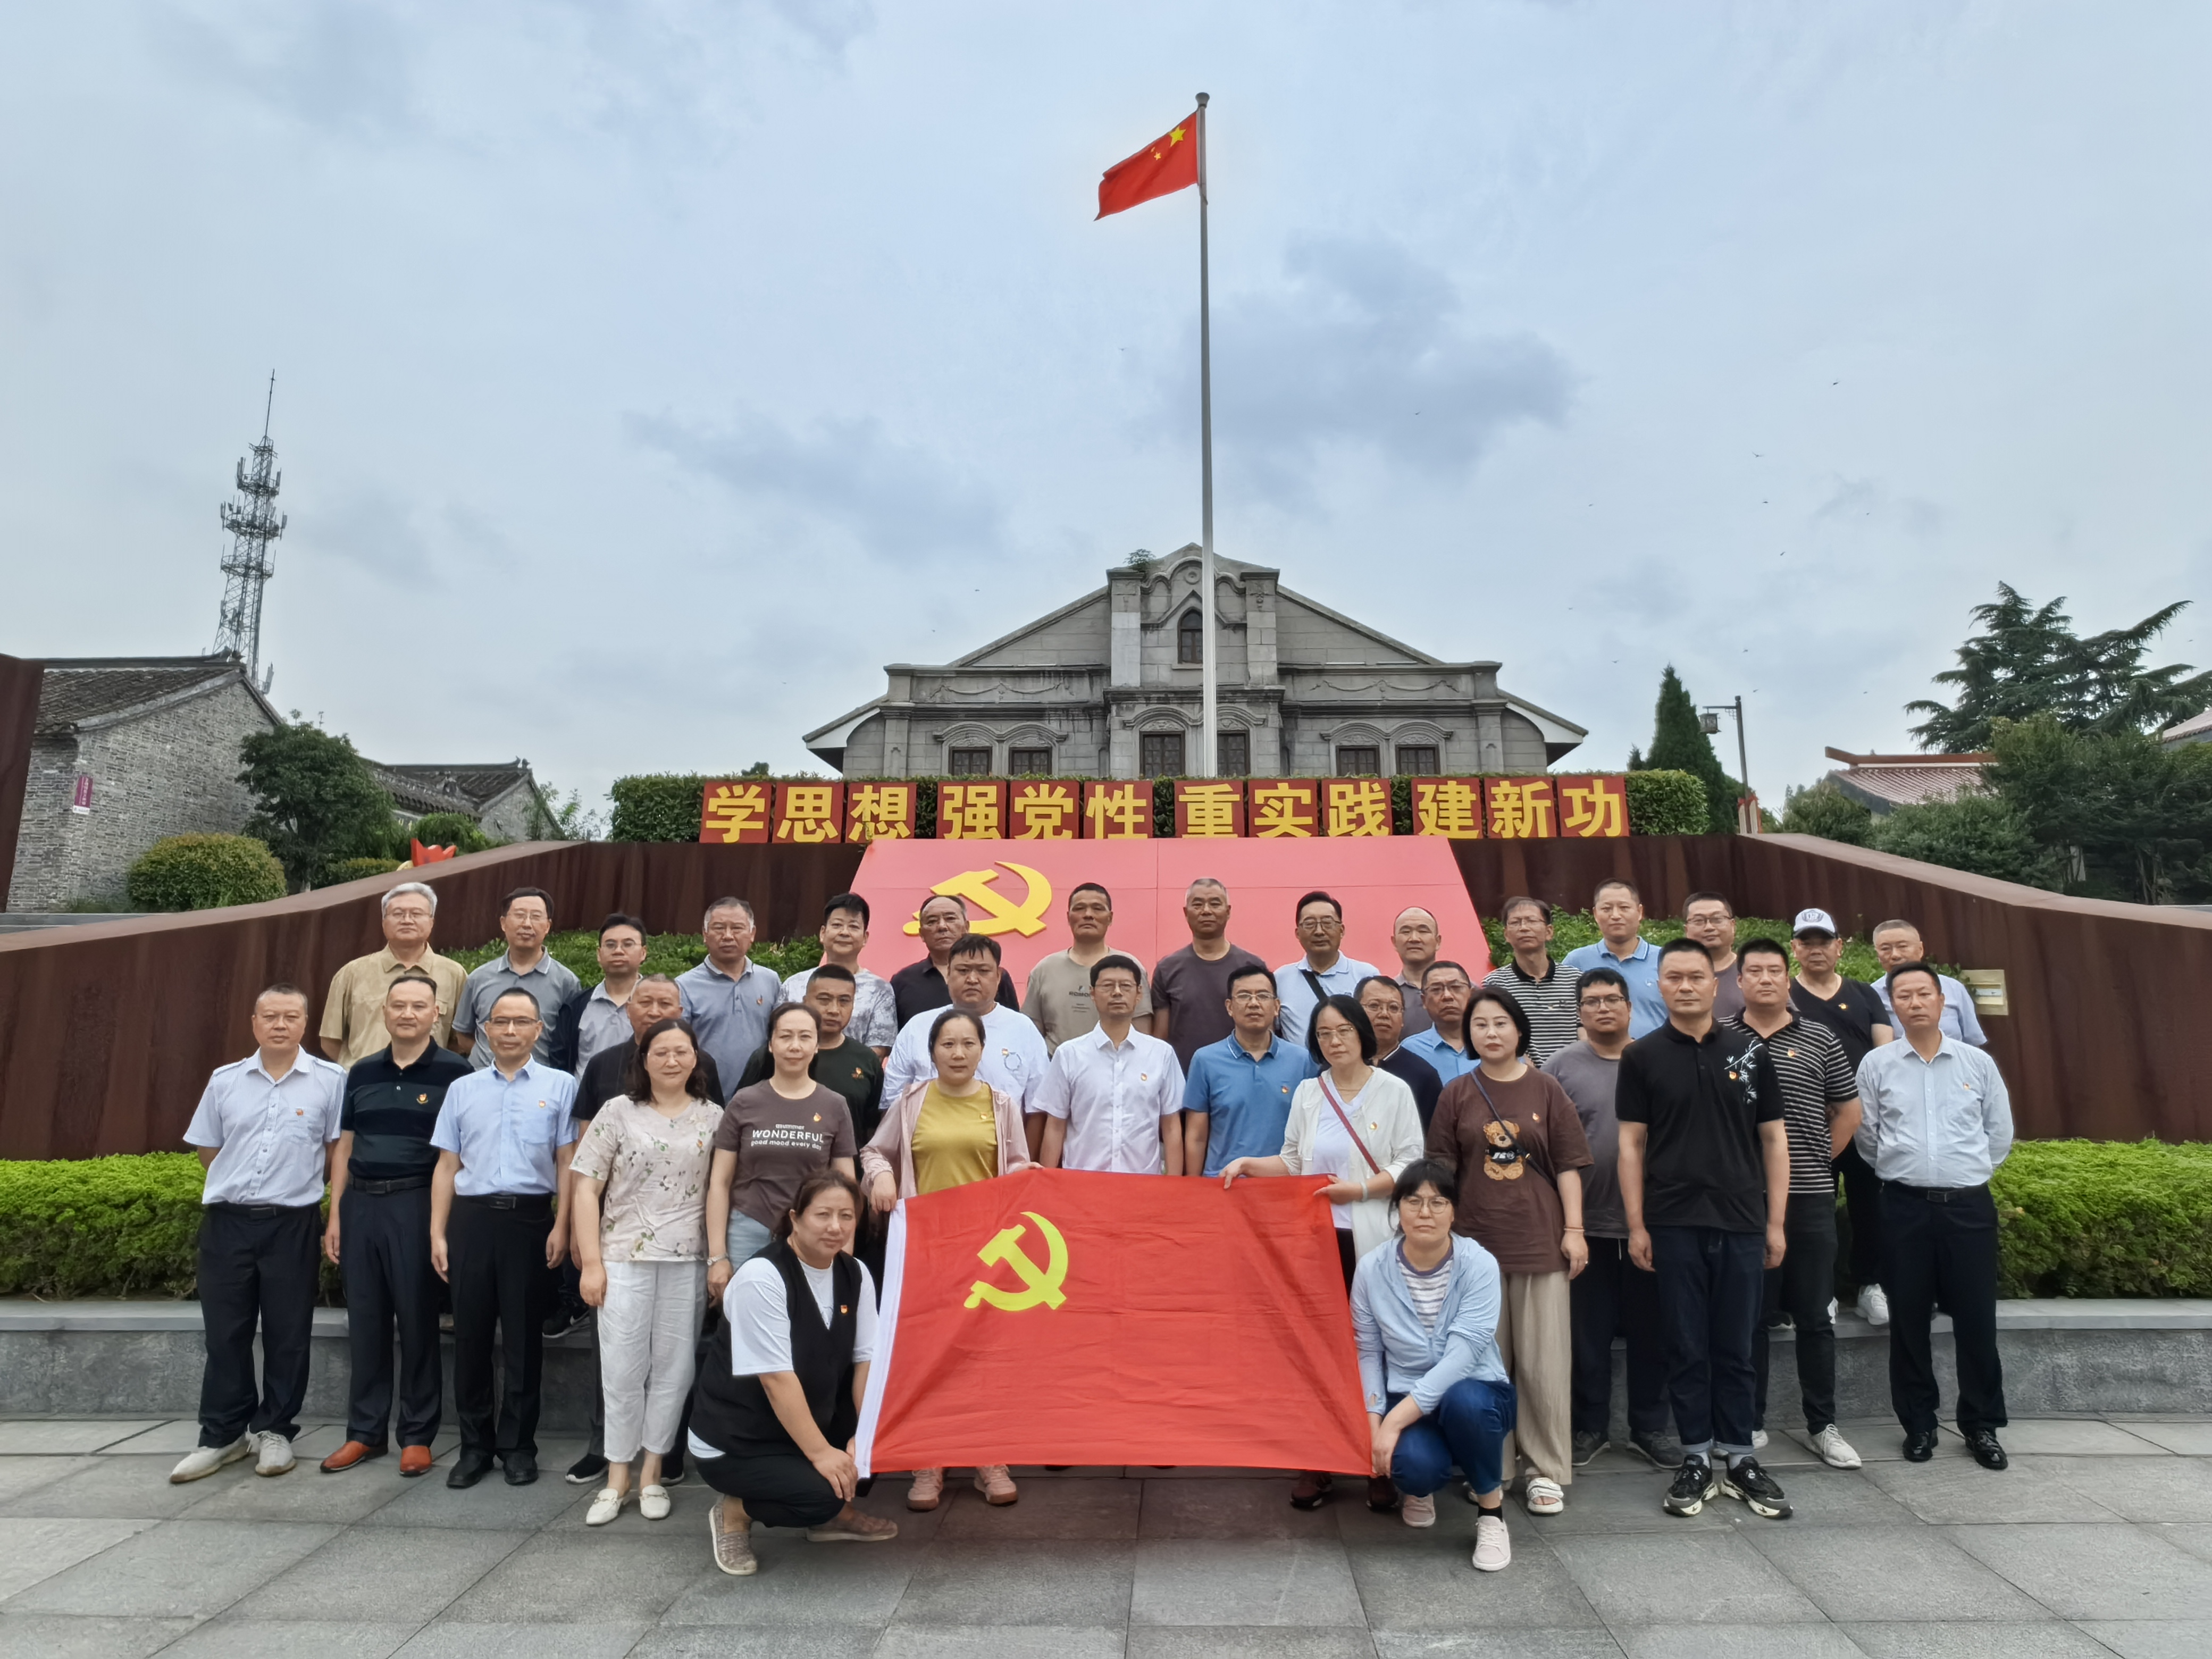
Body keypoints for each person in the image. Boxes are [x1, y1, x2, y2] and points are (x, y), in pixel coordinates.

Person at [1220, 994, 1423, 1510]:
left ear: (1362, 1034)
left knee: (1372, 1349)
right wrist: (1248, 1164)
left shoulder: (1393, 1090)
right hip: (1315, 1242)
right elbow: (1293, 1161)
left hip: (1373, 1240)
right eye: (1324, 1035)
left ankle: (1376, 1461)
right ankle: (1318, 1459)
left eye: (1343, 1032)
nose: (1333, 1042)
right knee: (1317, 1348)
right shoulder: (1310, 1092)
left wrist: (1356, 1192)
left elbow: (1410, 1163)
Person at [1616, 939, 1792, 1521]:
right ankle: (1694, 1455)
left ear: (1716, 985)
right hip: (1671, 1222)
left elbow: (1772, 1139)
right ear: (1658, 985)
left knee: (1737, 1344)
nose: (1685, 986)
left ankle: (1738, 1455)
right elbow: (1630, 1145)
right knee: (1686, 1343)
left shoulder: (1748, 1052)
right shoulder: (1640, 1058)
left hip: (1741, 1220)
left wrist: (1774, 1222)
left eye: (1696, 976)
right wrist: (1636, 1225)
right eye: (1674, 977)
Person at [1425, 986, 1591, 1516]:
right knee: (1481, 1366)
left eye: (1500, 1023)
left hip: (1539, 1243)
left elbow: (1567, 1164)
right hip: (1473, 1252)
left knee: (1543, 1364)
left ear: (1519, 1030)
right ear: (1468, 1035)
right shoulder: (1456, 1093)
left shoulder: (1546, 1089)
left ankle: (1545, 1469)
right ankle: (1489, 1467)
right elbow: (1440, 1172)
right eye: (1480, 1025)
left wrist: (1574, 1229)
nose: (1490, 1033)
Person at [170, 985, 346, 1484]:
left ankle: (275, 1431)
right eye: (270, 1016)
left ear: (305, 1024)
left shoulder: (331, 1081)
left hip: (292, 1223)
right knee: (226, 1332)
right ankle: (223, 1434)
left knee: (289, 1332)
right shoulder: (225, 1081)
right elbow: (210, 1149)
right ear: (254, 1023)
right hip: (228, 1222)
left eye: (291, 1016)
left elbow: (337, 1153)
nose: (280, 1025)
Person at [861, 1009, 1033, 1510]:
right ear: (931, 1051)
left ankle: (987, 1456)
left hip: (986, 1251)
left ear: (982, 1049)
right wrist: (882, 1176)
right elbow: (874, 1152)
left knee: (982, 1352)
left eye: (967, 1044)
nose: (958, 1053)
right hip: (927, 1250)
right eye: (947, 1045)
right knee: (928, 1353)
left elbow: (1019, 1167)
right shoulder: (912, 1102)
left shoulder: (1001, 1106)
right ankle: (928, 1461)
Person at [689, 1170, 899, 1576]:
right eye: (823, 1215)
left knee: (877, 1452)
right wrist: (823, 1454)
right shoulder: (762, 1277)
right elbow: (775, 1379)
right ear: (796, 1218)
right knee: (823, 1492)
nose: (836, 1227)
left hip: (802, 1422)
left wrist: (866, 1434)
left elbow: (866, 1361)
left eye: (847, 1216)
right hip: (738, 1439)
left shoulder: (855, 1274)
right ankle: (736, 1511)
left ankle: (833, 1516)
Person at [564, 973, 723, 1487]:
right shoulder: (617, 1112)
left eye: (681, 1051)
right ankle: (617, 1477)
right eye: (661, 1053)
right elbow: (585, 1186)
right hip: (622, 1258)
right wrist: (590, 1262)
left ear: (695, 1058)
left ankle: (653, 1474)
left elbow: (721, 1192)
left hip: (685, 1261)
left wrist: (718, 1257)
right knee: (622, 1369)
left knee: (674, 1372)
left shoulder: (715, 1119)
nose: (671, 1060)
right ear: (645, 1059)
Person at [1857, 960, 2015, 1471]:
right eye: (1904, 996)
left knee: (1976, 1321)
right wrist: (1903, 1169)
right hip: (1904, 1207)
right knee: (1908, 1321)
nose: (1916, 1002)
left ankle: (1982, 1425)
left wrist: (1964, 1174)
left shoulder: (1976, 1064)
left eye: (1924, 994)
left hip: (1968, 1208)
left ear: (1942, 1002)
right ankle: (1919, 1424)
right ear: (1894, 1005)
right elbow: (1868, 1134)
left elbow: (1999, 1134)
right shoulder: (1877, 1065)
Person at [320, 974, 471, 1477]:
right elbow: (345, 1145)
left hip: (416, 1203)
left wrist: (441, 1226)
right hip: (361, 1207)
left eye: (418, 1006)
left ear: (437, 1014)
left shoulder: (456, 1073)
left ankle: (417, 1434)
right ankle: (364, 1433)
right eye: (398, 1006)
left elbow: (457, 1156)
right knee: (365, 1322)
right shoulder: (361, 1072)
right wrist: (336, 1213)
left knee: (418, 1319)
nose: (407, 1014)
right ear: (384, 1013)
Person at [1725, 938, 1864, 1469]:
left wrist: (1814, 1162)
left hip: (1808, 1197)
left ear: (1788, 979)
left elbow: (1847, 1112)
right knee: (1749, 1316)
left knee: (1813, 1316)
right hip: (1742, 1201)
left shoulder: (1819, 1037)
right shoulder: (1721, 1040)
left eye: (1772, 971)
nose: (1763, 979)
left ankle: (1822, 1425)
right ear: (1737, 982)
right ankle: (1750, 1420)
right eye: (1752, 971)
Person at [430, 987, 577, 1488]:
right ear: (487, 1030)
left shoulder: (561, 1086)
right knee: (470, 1337)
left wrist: (562, 1225)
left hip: (531, 1222)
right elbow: (447, 1164)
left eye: (522, 1022)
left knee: (522, 1340)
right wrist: (438, 1232)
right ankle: (474, 1447)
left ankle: (519, 1446)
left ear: (539, 1030)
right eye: (501, 1022)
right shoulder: (462, 1089)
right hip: (471, 1222)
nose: (510, 1031)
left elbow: (567, 1163)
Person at [1352, 1160, 1516, 1571]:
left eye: (1438, 1202)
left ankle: (1491, 1513)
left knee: (1465, 1403)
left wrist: (1394, 1424)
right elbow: (1369, 1350)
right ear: (1398, 1209)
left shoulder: (1479, 1265)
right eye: (1414, 1201)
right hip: (1404, 1390)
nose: (1425, 1212)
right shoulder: (1372, 1269)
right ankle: (1420, 1488)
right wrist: (1375, 1421)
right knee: (1413, 1467)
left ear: (1454, 1212)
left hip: (1476, 1388)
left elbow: (1465, 1355)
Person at [1545, 967, 1676, 1470]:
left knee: (1653, 1334)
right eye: (1592, 1001)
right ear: (1579, 1011)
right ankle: (1590, 1427)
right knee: (1588, 1337)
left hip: (1652, 1224)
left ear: (1630, 1007)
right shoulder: (1559, 1068)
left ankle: (1650, 1427)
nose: (1603, 1008)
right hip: (1586, 1228)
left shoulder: (1655, 1059)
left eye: (1612, 1000)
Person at [1787, 907, 1896, 1326]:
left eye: (1823, 941)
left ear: (1839, 946)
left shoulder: (1864, 993)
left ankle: (1871, 1286)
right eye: (1806, 942)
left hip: (1864, 1122)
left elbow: (1883, 1054)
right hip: (1808, 1126)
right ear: (1795, 948)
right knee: (1814, 1209)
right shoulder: (1786, 994)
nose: (1816, 949)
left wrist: (1860, 1102)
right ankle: (1822, 1291)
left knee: (1870, 1206)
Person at [709, 1003, 859, 1281]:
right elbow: (720, 1181)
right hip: (748, 1227)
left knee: (807, 1319)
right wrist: (717, 1256)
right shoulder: (744, 1101)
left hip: (814, 1229)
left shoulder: (835, 1105)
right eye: (786, 1036)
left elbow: (846, 1184)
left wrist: (844, 1253)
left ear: (816, 1046)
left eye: (805, 1037)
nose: (795, 1046)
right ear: (771, 1044)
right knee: (746, 1318)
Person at [881, 933, 1049, 1154]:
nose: (972, 979)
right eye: (963, 971)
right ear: (948, 975)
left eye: (983, 971)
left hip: (1002, 1164)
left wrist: (1022, 1164)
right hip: (927, 1159)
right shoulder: (918, 1028)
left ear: (998, 977)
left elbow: (1036, 1110)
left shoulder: (1023, 1029)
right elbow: (892, 1104)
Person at [1036, 956, 1184, 1173]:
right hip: (1083, 1182)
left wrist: (1173, 1185)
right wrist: (1046, 1182)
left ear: (1139, 995)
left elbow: (1171, 1127)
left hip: (1142, 1183)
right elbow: (1055, 1126)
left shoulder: (1161, 1054)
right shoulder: (1069, 1054)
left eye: (1125, 986)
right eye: (1107, 986)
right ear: (1093, 994)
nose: (1117, 992)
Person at [1180, 963, 1318, 1179]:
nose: (1254, 1003)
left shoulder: (1302, 1060)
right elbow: (1196, 1136)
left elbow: (1311, 1133)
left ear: (1276, 1007)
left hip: (1282, 1186)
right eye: (1244, 996)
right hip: (1223, 1185)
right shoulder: (1206, 1060)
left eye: (1263, 996)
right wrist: (1195, 1187)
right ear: (1229, 1007)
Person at [320, 882, 469, 1066]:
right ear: (384, 922)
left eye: (416, 914)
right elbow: (330, 1039)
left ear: (431, 922)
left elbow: (459, 1041)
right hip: (367, 1085)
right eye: (398, 914)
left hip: (430, 1087)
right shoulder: (352, 973)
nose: (407, 920)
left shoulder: (454, 974)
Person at [736, 965, 887, 1145]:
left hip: (844, 1169)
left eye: (844, 1001)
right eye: (824, 1000)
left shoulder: (866, 1060)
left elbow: (872, 1127)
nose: (834, 1010)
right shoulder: (772, 1056)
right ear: (805, 1001)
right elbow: (740, 1115)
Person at [1151, 877, 1269, 1074]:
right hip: (1184, 1081)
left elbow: (1267, 1030)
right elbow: (1160, 1039)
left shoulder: (1253, 966)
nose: (1206, 911)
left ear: (1228, 911)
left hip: (1243, 1076)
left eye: (1215, 904)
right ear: (1186, 913)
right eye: (1198, 904)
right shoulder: (1167, 969)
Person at [453, 888, 582, 1068]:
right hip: (483, 1080)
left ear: (548, 926)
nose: (527, 924)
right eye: (520, 915)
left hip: (538, 1085)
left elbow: (570, 1043)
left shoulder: (567, 983)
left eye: (536, 916)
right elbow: (463, 1035)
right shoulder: (479, 978)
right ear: (504, 923)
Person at [1024, 882, 1153, 1052]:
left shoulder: (1129, 968)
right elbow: (1031, 1034)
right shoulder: (1044, 970)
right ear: (1069, 917)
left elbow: (1143, 1033)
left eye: (1098, 908)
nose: (1088, 915)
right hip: (1057, 1071)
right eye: (1080, 908)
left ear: (1110, 918)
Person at [678, 898, 784, 1101]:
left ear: (752, 934)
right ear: (705, 934)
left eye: (737, 928)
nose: (728, 936)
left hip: (762, 1098)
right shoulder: (684, 986)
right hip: (703, 1097)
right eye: (719, 928)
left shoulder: (770, 981)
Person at [781, 892, 898, 1057]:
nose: (844, 933)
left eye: (853, 927)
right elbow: (779, 1034)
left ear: (865, 938)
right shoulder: (794, 984)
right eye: (837, 925)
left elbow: (879, 1049)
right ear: (823, 933)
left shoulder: (880, 990)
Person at [890, 893, 1020, 1027]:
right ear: (922, 934)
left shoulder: (994, 976)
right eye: (932, 921)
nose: (942, 926)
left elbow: (1013, 1026)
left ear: (966, 927)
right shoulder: (903, 981)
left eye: (950, 919)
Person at [1274, 892, 1380, 1048]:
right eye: (1310, 924)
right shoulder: (1280, 978)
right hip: (1301, 1072)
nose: (1319, 931)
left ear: (1342, 930)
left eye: (1327, 923)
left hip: (1352, 1070)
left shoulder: (1367, 975)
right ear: (1298, 933)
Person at [1560, 880, 1665, 1037]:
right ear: (1596, 914)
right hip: (1597, 1058)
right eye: (1607, 909)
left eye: (1624, 908)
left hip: (1657, 1056)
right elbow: (1566, 1018)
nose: (1615, 916)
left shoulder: (1665, 960)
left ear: (1640, 912)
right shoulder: (1576, 962)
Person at [1482, 898, 1580, 1065]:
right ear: (1506, 935)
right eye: (1515, 922)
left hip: (1574, 1073)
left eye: (1532, 921)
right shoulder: (1496, 984)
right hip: (1525, 1076)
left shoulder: (1576, 979)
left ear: (1549, 932)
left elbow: (1585, 1031)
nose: (1524, 928)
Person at [551, 914, 651, 1073]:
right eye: (610, 945)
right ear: (599, 954)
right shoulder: (576, 1006)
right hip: (587, 1097)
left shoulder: (658, 1005)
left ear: (643, 953)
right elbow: (560, 1060)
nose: (618, 951)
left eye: (628, 944)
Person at [1870, 919, 1988, 1046]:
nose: (1895, 955)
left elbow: (1973, 1042)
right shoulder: (1871, 996)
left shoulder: (1953, 988)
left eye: (1903, 946)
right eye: (1886, 949)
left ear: (1920, 949)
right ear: (1878, 955)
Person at [1358, 975, 1444, 1129]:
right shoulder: (1338, 1067)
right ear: (1356, 1012)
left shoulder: (1424, 1075)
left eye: (1393, 1008)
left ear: (1403, 1019)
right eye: (1374, 1006)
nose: (1384, 1014)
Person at [1404, 961, 1480, 1085]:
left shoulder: (1492, 1042)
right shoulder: (1410, 1051)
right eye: (1436, 990)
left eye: (1456, 987)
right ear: (1424, 1000)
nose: (1447, 996)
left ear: (1471, 995)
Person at [1682, 892, 1744, 1022]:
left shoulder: (1752, 971)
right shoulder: (1673, 975)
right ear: (1686, 930)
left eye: (1717, 919)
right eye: (1699, 921)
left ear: (1733, 925)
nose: (1709, 927)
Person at [1389, 907, 1442, 1035]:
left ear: (1438, 942)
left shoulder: (1463, 990)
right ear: (1394, 942)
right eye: (1406, 932)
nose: (1414, 938)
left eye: (1423, 931)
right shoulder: (1387, 994)